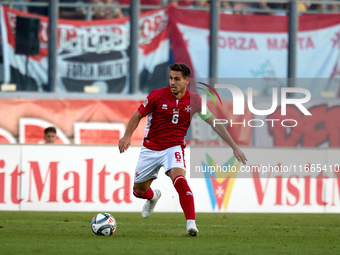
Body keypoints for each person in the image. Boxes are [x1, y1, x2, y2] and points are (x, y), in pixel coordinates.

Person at [118, 63, 247, 236]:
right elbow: (137, 116)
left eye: (177, 79)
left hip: (174, 147)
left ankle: (191, 225)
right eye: (171, 78)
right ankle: (152, 197)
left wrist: (234, 146)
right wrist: (127, 135)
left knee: (179, 179)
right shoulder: (156, 96)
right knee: (138, 191)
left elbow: (214, 123)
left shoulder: (195, 101)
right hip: (150, 148)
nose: (172, 82)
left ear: (187, 80)